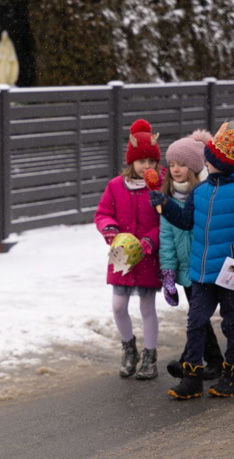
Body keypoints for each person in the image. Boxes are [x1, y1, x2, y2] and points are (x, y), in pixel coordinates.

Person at [150, 122, 234, 399]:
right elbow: (185, 221)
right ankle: (192, 376)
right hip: (202, 271)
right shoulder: (201, 191)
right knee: (196, 322)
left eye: (212, 159)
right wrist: (165, 205)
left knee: (231, 323)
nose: (207, 161)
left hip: (233, 271)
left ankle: (233, 375)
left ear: (223, 163)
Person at [95, 119, 164, 380]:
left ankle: (150, 356)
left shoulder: (160, 185)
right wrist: (110, 229)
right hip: (122, 255)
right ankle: (129, 348)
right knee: (118, 305)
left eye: (151, 161)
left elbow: (166, 219)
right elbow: (103, 213)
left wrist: (151, 240)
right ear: (131, 162)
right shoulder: (115, 186)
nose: (146, 166)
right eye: (141, 161)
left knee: (147, 307)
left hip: (148, 257)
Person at [157, 130, 225, 383]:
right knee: (200, 319)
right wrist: (167, 272)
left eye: (182, 164)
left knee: (198, 317)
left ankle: (190, 362)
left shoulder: (205, 194)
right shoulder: (167, 197)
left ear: (195, 166)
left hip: (204, 266)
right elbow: (166, 237)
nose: (175, 169)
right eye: (172, 164)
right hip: (185, 270)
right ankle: (214, 361)